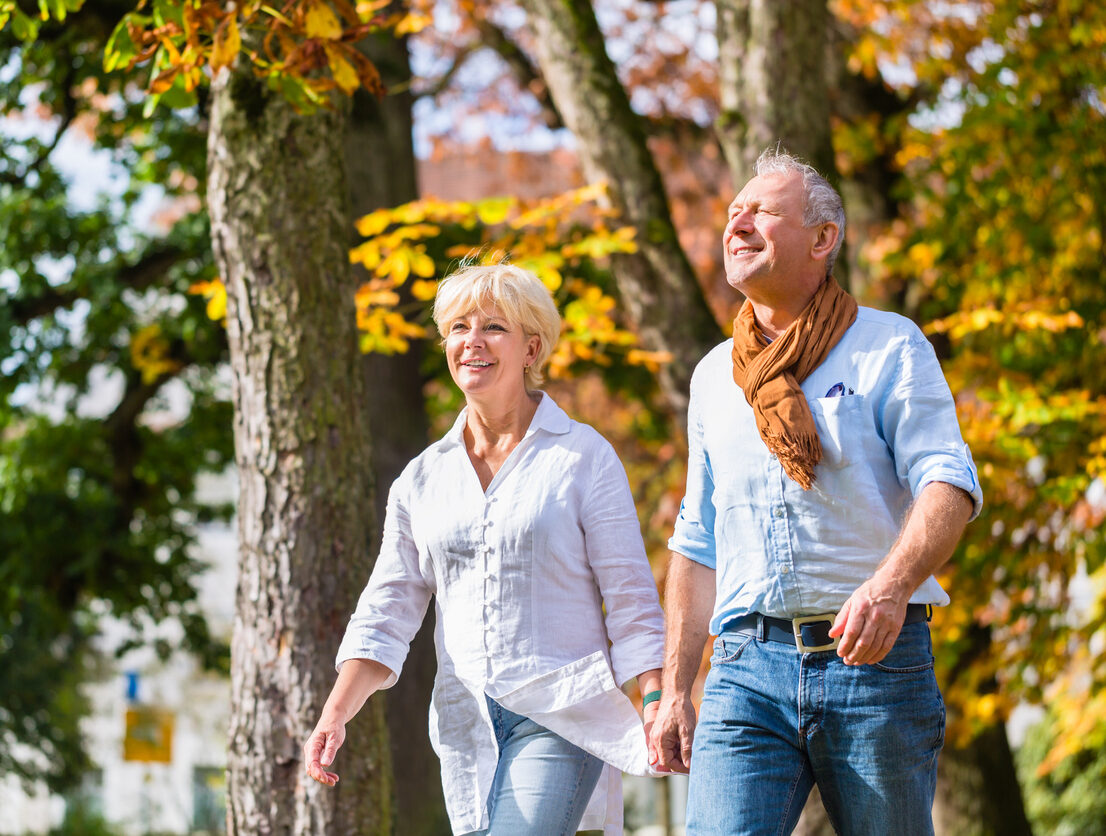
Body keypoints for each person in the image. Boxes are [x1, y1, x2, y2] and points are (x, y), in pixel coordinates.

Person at [648, 148, 982, 836]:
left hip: (876, 664)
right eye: (733, 212)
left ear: (824, 238)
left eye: (761, 211)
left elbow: (949, 482)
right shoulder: (714, 376)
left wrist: (891, 588)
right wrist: (676, 690)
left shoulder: (890, 345)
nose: (736, 223)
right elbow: (697, 536)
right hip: (745, 669)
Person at [303, 262, 665, 836]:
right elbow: (388, 608)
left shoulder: (582, 458)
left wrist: (655, 701)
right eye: (458, 328)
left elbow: (630, 597)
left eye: (494, 326)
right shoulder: (421, 479)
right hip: (466, 721)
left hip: (558, 713)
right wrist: (336, 711)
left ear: (531, 347)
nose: (472, 341)